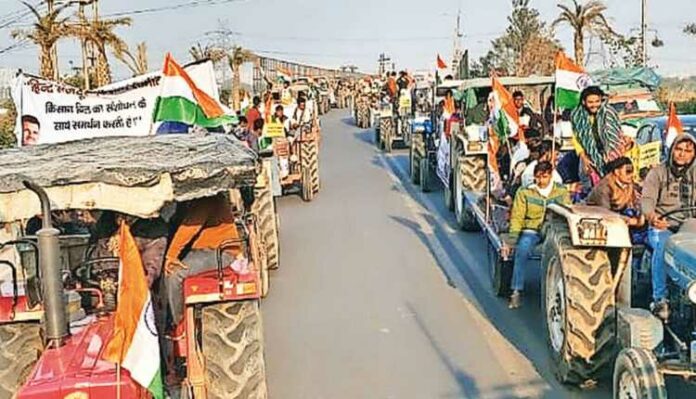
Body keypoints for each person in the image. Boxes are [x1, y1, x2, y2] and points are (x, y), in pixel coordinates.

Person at [163, 194, 244, 328]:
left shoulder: (207, 200)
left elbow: (189, 228)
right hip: (204, 251)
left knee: (174, 273)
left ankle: (177, 323)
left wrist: (171, 255)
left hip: (220, 253)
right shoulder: (191, 202)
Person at [641, 134, 696, 320]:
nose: (682, 154)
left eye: (687, 151)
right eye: (679, 150)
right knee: (663, 244)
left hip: (689, 225)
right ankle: (660, 298)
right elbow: (647, 199)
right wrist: (651, 216)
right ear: (672, 150)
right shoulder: (657, 173)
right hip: (663, 225)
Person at [507, 161, 570, 309]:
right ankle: (516, 290)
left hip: (553, 229)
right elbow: (517, 217)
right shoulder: (525, 192)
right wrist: (512, 239)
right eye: (538, 177)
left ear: (550, 176)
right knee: (522, 250)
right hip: (532, 230)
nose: (541, 181)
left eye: (544, 177)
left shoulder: (561, 192)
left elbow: (567, 212)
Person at [571, 86, 627, 181]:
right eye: (590, 102)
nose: (594, 105)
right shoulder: (577, 116)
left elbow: (617, 133)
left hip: (612, 153)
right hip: (588, 154)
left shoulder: (608, 112)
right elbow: (576, 137)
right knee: (591, 185)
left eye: (597, 101)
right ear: (584, 102)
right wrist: (583, 157)